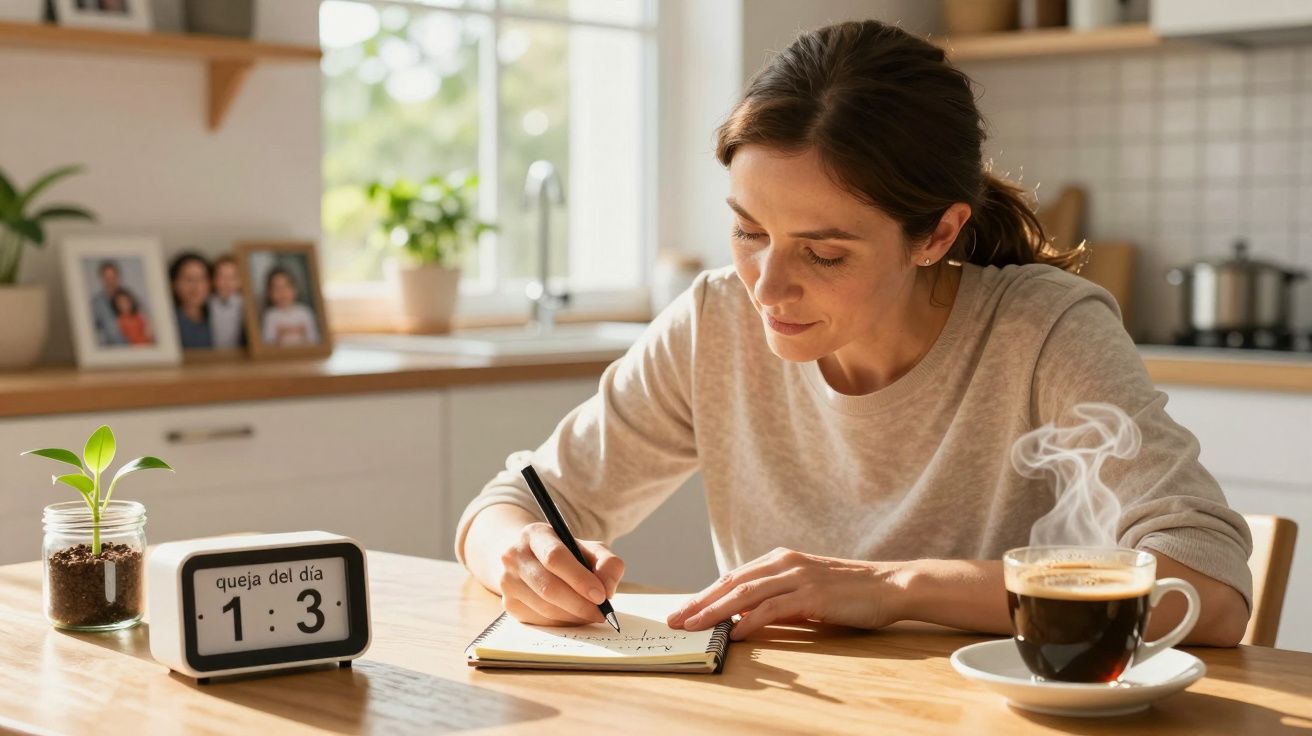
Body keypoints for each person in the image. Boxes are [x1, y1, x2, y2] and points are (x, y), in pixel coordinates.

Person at [455, 20, 1253, 646]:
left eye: (824, 253)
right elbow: (510, 505)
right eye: (748, 231)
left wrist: (895, 589)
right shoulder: (714, 320)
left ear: (937, 235)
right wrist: (520, 557)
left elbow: (1207, 593)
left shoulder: (1042, 329)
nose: (766, 286)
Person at [261, 267, 319, 347]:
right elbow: (267, 343)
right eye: (277, 288)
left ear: (295, 289)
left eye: (286, 286)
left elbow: (314, 339)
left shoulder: (305, 312)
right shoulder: (271, 315)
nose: (282, 292)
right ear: (269, 293)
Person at [170, 252, 213, 349]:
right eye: (189, 279)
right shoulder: (167, 321)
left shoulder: (218, 317)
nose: (196, 286)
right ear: (174, 284)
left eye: (202, 278)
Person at [208, 255, 245, 349]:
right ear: (213, 279)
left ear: (241, 281)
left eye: (233, 277)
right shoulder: (207, 302)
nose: (227, 282)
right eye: (222, 277)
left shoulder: (245, 303)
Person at [90, 260, 126, 347]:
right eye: (107, 279)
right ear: (102, 279)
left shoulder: (130, 297)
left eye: (113, 278)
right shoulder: (96, 303)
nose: (111, 282)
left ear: (118, 278)